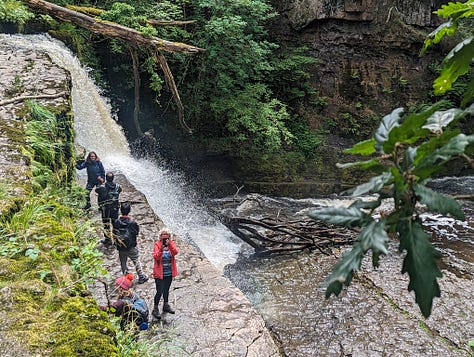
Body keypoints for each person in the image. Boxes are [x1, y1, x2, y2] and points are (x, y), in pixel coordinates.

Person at [112, 202, 149, 284]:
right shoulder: (132, 223)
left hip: (120, 246)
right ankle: (141, 277)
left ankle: (126, 277)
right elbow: (136, 233)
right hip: (131, 246)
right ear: (129, 210)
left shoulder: (116, 222)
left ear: (120, 210)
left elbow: (114, 233)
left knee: (123, 262)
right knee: (136, 260)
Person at [152, 228, 179, 320]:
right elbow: (156, 257)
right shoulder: (157, 244)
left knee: (166, 290)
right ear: (160, 237)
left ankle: (165, 305)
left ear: (169, 237)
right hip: (159, 273)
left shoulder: (172, 243)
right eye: (162, 237)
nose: (164, 239)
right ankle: (155, 308)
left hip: (169, 272)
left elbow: (175, 252)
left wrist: (170, 245)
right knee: (159, 291)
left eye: (166, 237)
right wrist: (161, 249)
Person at [96, 172, 122, 246]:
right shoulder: (118, 187)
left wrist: (101, 182)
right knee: (115, 224)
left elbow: (96, 190)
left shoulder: (102, 187)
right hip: (115, 208)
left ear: (106, 178)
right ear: (113, 178)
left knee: (106, 224)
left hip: (105, 210)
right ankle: (116, 239)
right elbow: (120, 190)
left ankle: (108, 240)